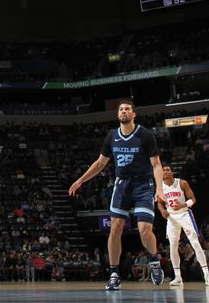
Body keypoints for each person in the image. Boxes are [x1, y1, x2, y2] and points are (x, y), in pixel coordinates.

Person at [69, 99, 165, 291]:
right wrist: (80, 180)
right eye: (121, 109)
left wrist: (159, 189)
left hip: (143, 185)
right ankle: (114, 274)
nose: (123, 111)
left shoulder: (145, 135)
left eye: (127, 109)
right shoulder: (112, 135)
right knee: (115, 227)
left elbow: (156, 164)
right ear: (117, 114)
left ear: (134, 114)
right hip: (122, 185)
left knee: (145, 229)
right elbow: (100, 164)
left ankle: (155, 261)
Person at [157, 165, 209, 286]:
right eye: (164, 170)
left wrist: (183, 205)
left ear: (172, 172)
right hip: (171, 218)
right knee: (173, 246)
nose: (166, 172)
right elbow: (160, 203)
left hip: (184, 214)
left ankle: (207, 275)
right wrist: (163, 211)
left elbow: (193, 199)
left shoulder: (182, 183)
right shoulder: (160, 187)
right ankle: (178, 277)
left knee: (195, 243)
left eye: (168, 170)